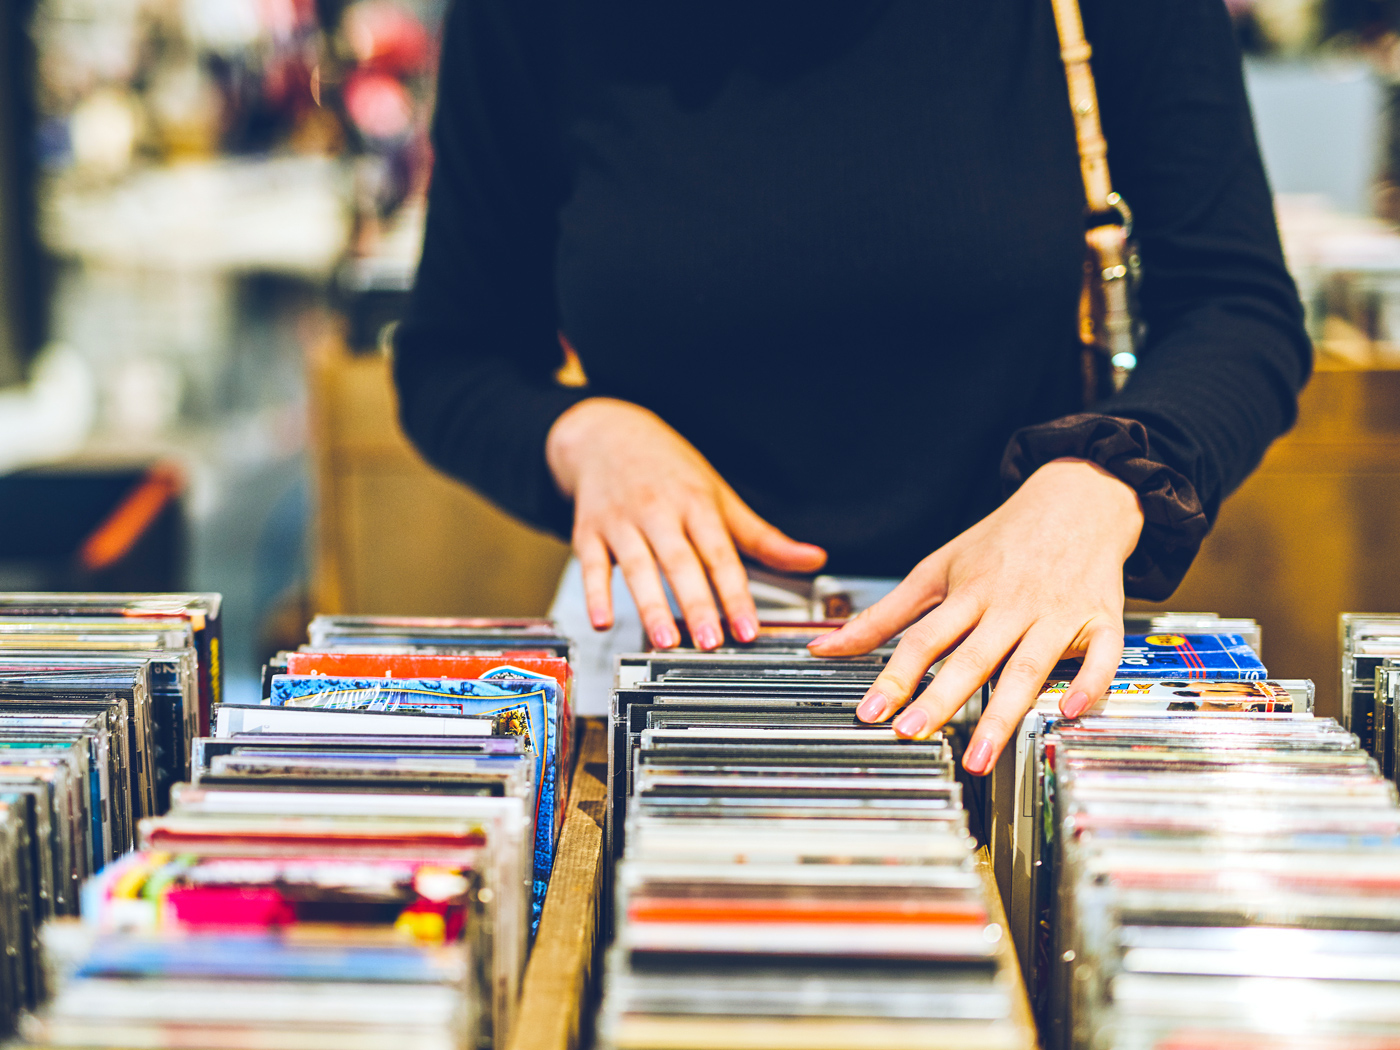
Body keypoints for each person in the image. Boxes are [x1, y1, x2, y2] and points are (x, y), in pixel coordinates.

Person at [393, 0, 1310, 775]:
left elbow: (1237, 307)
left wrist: (1105, 478)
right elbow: (453, 356)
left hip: (1019, 661)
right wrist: (584, 436)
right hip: (660, 673)